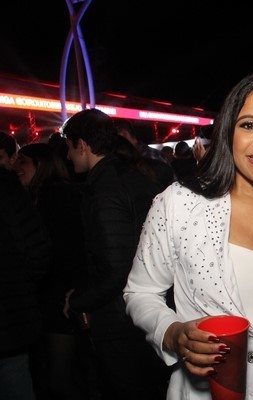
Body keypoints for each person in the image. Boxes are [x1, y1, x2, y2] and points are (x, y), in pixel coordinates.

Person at [124, 72, 253, 400]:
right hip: (208, 391)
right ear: (228, 134)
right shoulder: (181, 204)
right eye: (249, 125)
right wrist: (173, 333)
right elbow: (140, 292)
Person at [60, 108, 170, 400]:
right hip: (146, 309)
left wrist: (79, 301)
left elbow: (117, 269)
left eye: (69, 147)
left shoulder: (105, 189)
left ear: (82, 145)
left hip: (122, 319)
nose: (68, 156)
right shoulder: (131, 174)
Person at [13, 143, 91, 399]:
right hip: (59, 297)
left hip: (62, 299)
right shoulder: (43, 195)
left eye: (23, 161)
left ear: (41, 164)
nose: (16, 167)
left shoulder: (55, 197)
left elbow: (65, 250)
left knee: (60, 379)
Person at [0, 165, 51, 400]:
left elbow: (38, 248)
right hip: (11, 321)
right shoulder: (7, 184)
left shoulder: (6, 184)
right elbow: (38, 247)